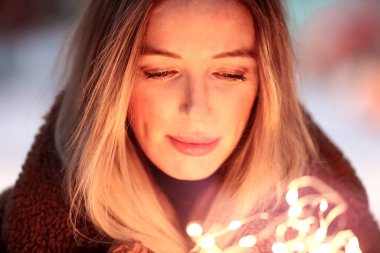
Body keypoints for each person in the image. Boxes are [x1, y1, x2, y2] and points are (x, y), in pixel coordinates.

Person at [1, 0, 379, 252]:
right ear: (109, 85)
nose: (197, 109)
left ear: (267, 86)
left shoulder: (330, 232)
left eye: (230, 73)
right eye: (161, 71)